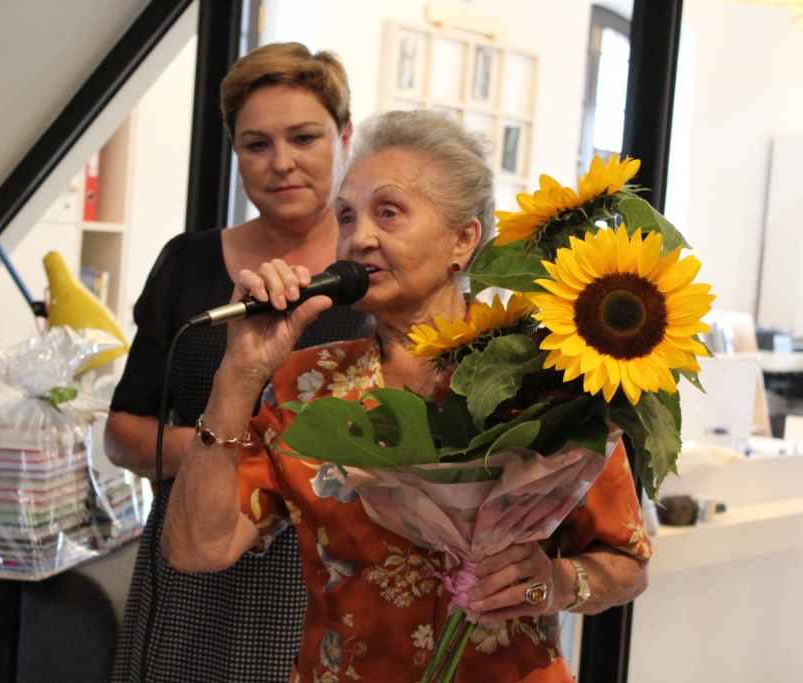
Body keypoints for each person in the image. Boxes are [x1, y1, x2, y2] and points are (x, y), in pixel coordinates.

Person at [162, 110, 651, 682]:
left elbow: (627, 563)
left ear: (463, 240)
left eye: (388, 212)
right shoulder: (306, 385)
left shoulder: (549, 378)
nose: (359, 238)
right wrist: (237, 377)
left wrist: (557, 583)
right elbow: (198, 548)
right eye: (346, 217)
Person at [104, 43, 372, 682]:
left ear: (344, 137)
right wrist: (237, 456)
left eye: (303, 137)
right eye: (256, 144)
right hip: (191, 560)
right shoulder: (188, 263)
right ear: (234, 152)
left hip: (332, 570)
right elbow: (124, 433)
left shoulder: (373, 275)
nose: (281, 162)